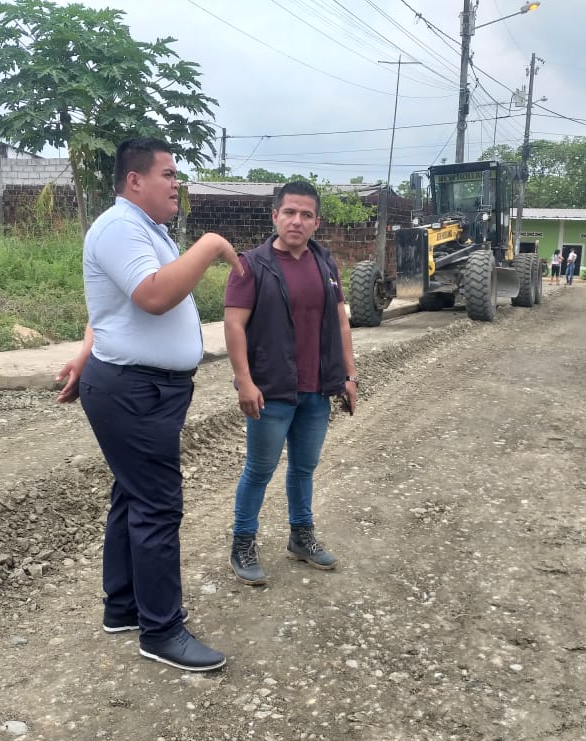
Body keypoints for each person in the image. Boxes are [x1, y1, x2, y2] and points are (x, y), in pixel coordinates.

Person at [55, 137, 241, 673]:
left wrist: (86, 349)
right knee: (158, 505)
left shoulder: (145, 229)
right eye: (168, 174)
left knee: (132, 495)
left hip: (143, 386)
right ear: (135, 181)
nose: (177, 184)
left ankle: (123, 606)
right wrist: (210, 245)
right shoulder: (119, 227)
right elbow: (153, 295)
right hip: (134, 389)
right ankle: (161, 630)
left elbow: (107, 306)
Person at [222, 180, 358, 586]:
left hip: (317, 390)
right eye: (290, 212)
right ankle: (243, 543)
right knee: (259, 470)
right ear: (275, 216)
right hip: (272, 390)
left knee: (304, 468)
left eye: (306, 214)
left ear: (317, 222)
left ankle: (301, 537)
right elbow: (233, 325)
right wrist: (244, 382)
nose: (297, 221)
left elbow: (341, 321)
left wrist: (349, 375)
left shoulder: (325, 263)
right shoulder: (251, 265)